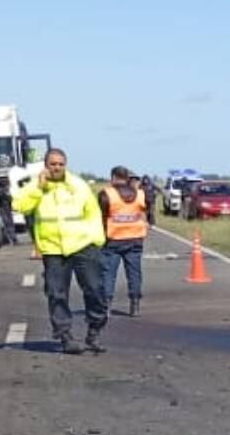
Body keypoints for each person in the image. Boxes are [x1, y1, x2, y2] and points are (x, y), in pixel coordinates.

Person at [12, 147, 109, 354]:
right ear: (45, 166)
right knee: (57, 294)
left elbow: (93, 213)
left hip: (83, 245)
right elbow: (20, 205)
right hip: (53, 248)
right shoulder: (35, 185)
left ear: (66, 165)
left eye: (60, 164)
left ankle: (94, 331)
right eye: (52, 164)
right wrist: (38, 187)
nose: (56, 168)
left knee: (94, 289)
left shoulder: (77, 185)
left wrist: (97, 241)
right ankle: (65, 337)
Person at [97, 165, 153, 315]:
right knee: (134, 273)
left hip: (113, 240)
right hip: (135, 239)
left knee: (108, 273)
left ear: (113, 178)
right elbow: (148, 209)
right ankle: (135, 305)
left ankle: (106, 305)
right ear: (127, 178)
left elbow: (101, 217)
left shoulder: (106, 194)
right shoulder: (140, 194)